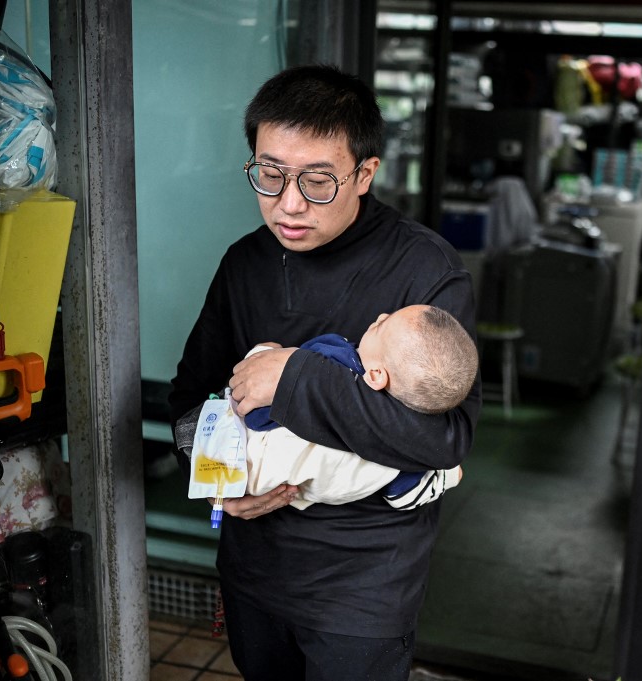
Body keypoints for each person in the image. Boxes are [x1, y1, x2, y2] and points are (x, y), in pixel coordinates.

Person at [168, 64, 480, 681]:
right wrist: (217, 484)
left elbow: (444, 441)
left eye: (316, 181)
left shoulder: (424, 272)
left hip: (363, 585)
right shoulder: (246, 263)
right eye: (269, 174)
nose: (288, 204)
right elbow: (188, 398)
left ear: (365, 173)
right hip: (255, 568)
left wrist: (293, 379)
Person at [175, 304, 478, 510]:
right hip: (295, 492)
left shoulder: (332, 357)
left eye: (383, 325)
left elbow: (254, 415)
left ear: (375, 375)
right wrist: (448, 476)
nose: (381, 315)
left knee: (255, 370)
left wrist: (267, 352)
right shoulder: (400, 452)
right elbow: (404, 498)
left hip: (238, 463)